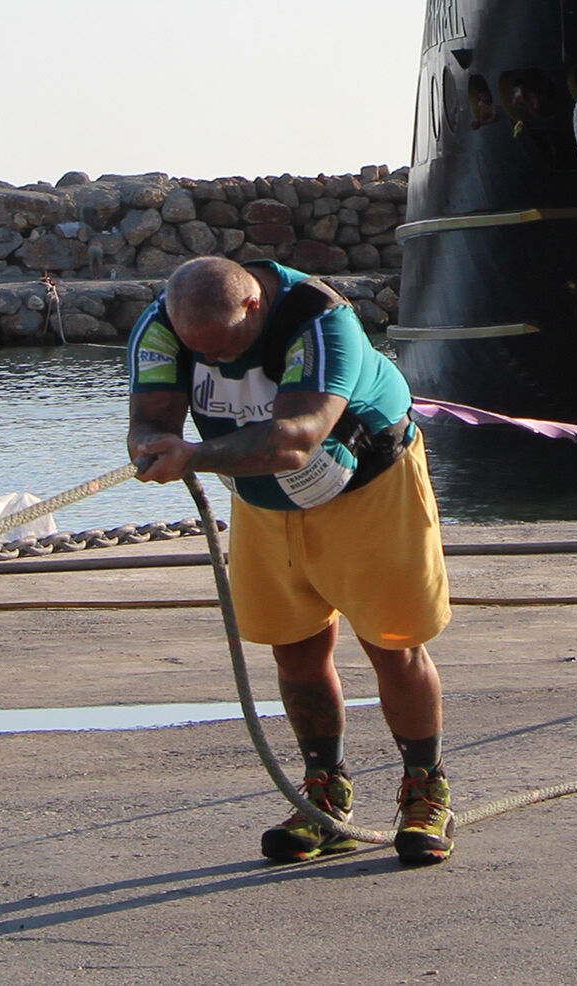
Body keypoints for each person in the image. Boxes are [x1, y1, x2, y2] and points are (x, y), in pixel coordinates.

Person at [127, 254, 455, 867]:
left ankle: (425, 792)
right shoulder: (164, 326)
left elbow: (299, 439)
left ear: (253, 305)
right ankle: (326, 798)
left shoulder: (321, 321)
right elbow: (148, 419)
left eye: (224, 347)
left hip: (369, 487)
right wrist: (148, 445)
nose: (217, 361)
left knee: (393, 643)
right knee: (295, 645)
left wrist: (192, 456)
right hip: (263, 496)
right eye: (202, 352)